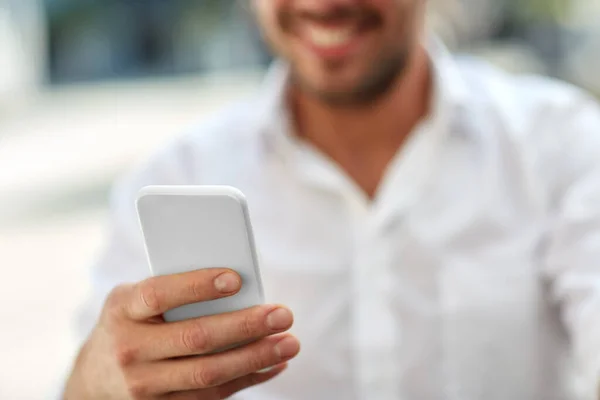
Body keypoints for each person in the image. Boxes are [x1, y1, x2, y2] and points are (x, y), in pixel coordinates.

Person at [64, 0, 600, 399]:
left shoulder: (560, 145)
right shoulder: (174, 176)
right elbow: (91, 381)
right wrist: (96, 383)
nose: (322, 4)